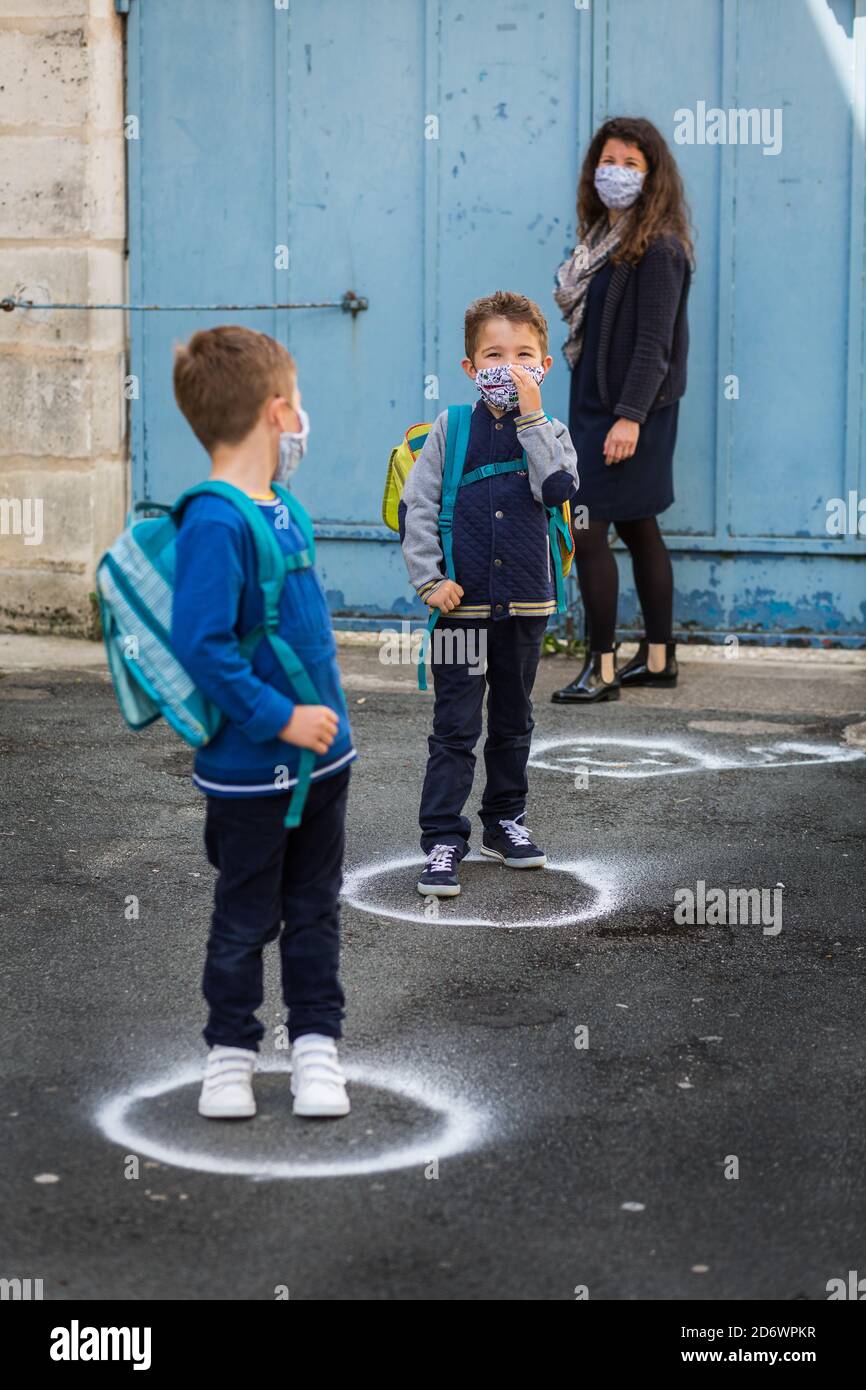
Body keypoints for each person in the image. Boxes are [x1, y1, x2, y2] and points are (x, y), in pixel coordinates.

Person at [171, 326, 356, 1120]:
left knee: (315, 911)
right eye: (300, 403)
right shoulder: (214, 521)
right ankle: (230, 1055)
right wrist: (280, 718)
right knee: (246, 917)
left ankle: (316, 1047)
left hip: (324, 766)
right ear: (278, 413)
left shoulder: (286, 508)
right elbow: (202, 646)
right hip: (251, 772)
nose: (304, 418)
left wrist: (327, 730)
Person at [399, 291, 579, 897]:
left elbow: (556, 490)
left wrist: (529, 419)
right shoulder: (450, 428)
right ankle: (443, 839)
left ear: (545, 366)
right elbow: (417, 506)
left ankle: (506, 822)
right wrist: (429, 578)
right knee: (454, 728)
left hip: (525, 605)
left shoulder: (552, 432)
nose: (509, 367)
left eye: (524, 354)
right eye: (493, 356)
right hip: (460, 609)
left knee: (512, 721)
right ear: (471, 369)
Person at [551, 116, 693, 704]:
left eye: (632, 165)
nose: (618, 174)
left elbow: (654, 343)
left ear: (652, 175)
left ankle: (603, 667)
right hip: (596, 407)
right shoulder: (603, 241)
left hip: (630, 414)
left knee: (587, 528)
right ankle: (659, 658)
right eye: (609, 162)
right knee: (638, 527)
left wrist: (630, 417)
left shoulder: (658, 247)